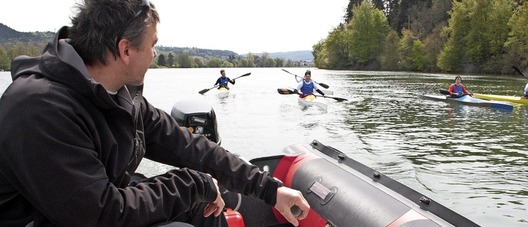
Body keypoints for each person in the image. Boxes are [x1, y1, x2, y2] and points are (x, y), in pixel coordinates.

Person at [0, 0, 309, 226]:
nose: (155, 54)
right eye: (152, 45)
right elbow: (100, 213)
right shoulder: (40, 109)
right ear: (125, 50)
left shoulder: (118, 93)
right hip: (56, 218)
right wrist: (193, 184)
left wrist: (270, 189)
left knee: (201, 208)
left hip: (93, 207)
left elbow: (189, 147)